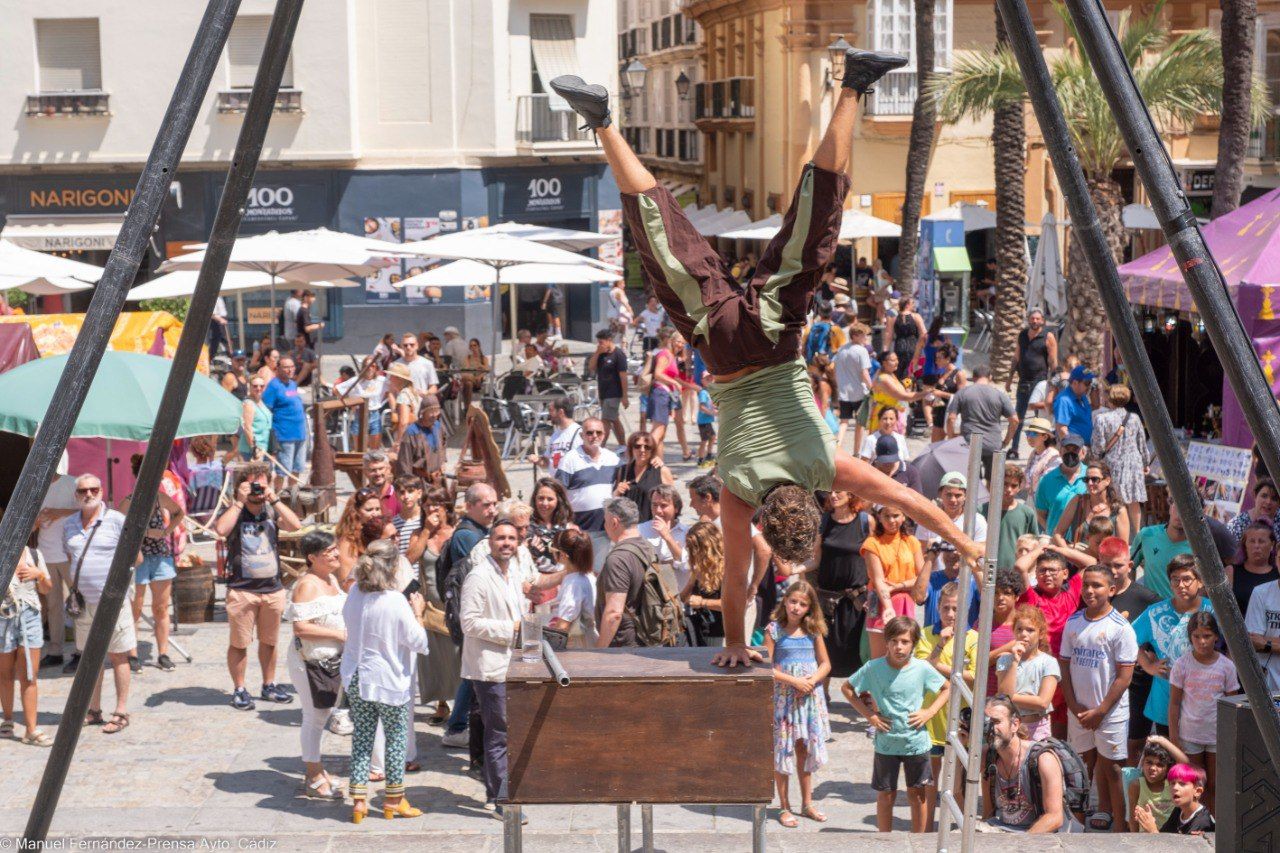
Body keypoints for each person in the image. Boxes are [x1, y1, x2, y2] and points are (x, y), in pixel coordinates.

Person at [553, 56, 981, 669]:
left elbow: (916, 504)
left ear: (809, 505)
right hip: (722, 345)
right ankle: (601, 122)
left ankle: (855, 84)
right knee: (661, 236)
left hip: (778, 339)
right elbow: (733, 579)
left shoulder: (824, 467)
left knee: (815, 223)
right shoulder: (738, 492)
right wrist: (732, 643)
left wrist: (966, 542)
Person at [343, 540, 429, 823]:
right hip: (387, 679)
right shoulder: (394, 600)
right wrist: (418, 612)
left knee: (362, 738)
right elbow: (418, 641)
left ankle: (358, 802)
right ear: (393, 567)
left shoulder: (354, 593)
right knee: (395, 739)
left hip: (356, 675)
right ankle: (394, 799)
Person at [844, 616, 949, 833]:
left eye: (904, 641)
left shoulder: (922, 668)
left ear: (914, 644)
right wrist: (870, 716)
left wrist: (929, 712)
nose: (898, 647)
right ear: (886, 642)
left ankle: (918, 842)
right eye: (893, 641)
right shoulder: (873, 668)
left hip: (916, 743)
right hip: (886, 743)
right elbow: (847, 689)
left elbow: (947, 688)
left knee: (917, 793)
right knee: (885, 795)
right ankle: (885, 841)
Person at [214, 463, 303, 711]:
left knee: (270, 641)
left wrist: (273, 497)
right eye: (252, 483)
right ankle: (240, 688)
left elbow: (296, 525)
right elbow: (221, 530)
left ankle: (269, 684)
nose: (256, 489)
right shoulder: (234, 510)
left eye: (260, 483)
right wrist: (240, 501)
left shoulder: (272, 510)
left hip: (272, 589)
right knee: (240, 643)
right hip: (242, 589)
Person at [1059, 563, 1137, 832]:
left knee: (1113, 769)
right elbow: (1065, 665)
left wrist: (1101, 710)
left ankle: (1120, 826)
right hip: (1078, 710)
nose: (1090, 590)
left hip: (1110, 713)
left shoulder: (1121, 627)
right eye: (1087, 585)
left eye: (1097, 585)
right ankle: (1078, 824)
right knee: (1080, 768)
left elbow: (1124, 676)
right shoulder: (1074, 622)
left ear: (1112, 590)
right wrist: (1071, 703)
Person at [459, 519, 527, 819]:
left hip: (513, 663)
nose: (507, 543)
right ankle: (501, 799)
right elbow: (469, 622)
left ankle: (501, 790)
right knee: (499, 732)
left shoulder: (512, 572)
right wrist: (510, 629)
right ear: (490, 541)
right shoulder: (478, 576)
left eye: (512, 538)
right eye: (501, 538)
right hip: (489, 665)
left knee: (507, 731)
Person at [62, 475, 134, 733]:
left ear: (102, 491)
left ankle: (121, 711)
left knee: (118, 655)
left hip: (112, 602)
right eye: (83, 490)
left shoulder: (116, 521)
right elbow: (73, 556)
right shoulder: (69, 524)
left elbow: (134, 555)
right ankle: (94, 709)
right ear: (76, 495)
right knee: (89, 658)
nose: (89, 494)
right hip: (83, 603)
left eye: (94, 489)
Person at [284, 530, 347, 800]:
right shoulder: (307, 585)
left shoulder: (330, 577)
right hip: (309, 662)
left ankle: (318, 769)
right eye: (328, 551)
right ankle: (312, 776)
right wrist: (339, 635)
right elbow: (300, 627)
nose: (335, 554)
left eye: (335, 548)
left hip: (330, 661)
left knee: (323, 714)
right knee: (314, 717)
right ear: (312, 558)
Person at [765, 580, 831, 828]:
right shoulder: (774, 630)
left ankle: (807, 803)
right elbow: (766, 667)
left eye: (802, 604)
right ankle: (784, 806)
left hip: (808, 698)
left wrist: (812, 680)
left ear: (809, 608)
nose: (796, 607)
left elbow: (825, 663)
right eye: (793, 601)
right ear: (785, 601)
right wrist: (793, 681)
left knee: (804, 748)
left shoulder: (813, 631)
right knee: (784, 748)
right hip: (785, 698)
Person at [438, 483, 498, 749]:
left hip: (477, 611)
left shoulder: (480, 531)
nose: (492, 509)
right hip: (471, 613)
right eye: (486, 504)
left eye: (494, 503)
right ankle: (457, 727)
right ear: (470, 506)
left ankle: (460, 724)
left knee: (472, 669)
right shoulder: (467, 536)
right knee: (472, 670)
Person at [915, 581, 978, 828]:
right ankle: (926, 827)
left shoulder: (973, 638)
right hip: (931, 721)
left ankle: (962, 827)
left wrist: (939, 665)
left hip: (959, 721)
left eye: (955, 609)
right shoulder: (926, 635)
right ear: (938, 608)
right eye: (945, 608)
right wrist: (940, 646)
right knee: (929, 781)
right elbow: (922, 670)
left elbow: (974, 675)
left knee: (957, 785)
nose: (950, 615)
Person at [1100, 535, 1162, 760]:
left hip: (1137, 686)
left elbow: (1161, 642)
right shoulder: (1094, 596)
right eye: (1106, 565)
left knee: (1133, 749)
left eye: (1118, 565)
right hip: (1101, 684)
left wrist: (1150, 663)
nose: (1113, 571)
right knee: (1105, 754)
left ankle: (1131, 794)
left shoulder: (1148, 599)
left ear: (1130, 565)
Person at [119, 462, 185, 673]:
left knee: (161, 608)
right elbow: (119, 528)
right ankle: (132, 654)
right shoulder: (129, 502)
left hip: (160, 556)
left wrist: (166, 532)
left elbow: (179, 513)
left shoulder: (159, 498)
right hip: (137, 558)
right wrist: (147, 533)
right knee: (135, 609)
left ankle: (163, 653)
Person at [1168, 611, 1238, 810]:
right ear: (1190, 637)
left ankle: (1215, 824)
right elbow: (1174, 703)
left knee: (1216, 783)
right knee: (1195, 782)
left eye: (1207, 636)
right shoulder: (1182, 665)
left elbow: (1233, 703)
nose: (1202, 641)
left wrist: (1231, 735)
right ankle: (1196, 822)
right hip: (1190, 735)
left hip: (1217, 735)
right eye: (1196, 636)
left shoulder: (1227, 666)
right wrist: (1174, 738)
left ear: (1216, 636)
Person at [981, 694, 1075, 833]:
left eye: (996, 722)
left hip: (1042, 837)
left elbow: (1054, 818)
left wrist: (1019, 844)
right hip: (1005, 832)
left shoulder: (1042, 758)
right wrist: (960, 743)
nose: (990, 728)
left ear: (1015, 724)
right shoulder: (988, 757)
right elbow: (986, 813)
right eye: (986, 723)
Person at [814, 490, 873, 678]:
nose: (832, 495)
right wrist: (790, 568)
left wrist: (874, 592)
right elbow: (815, 560)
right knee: (824, 649)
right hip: (827, 599)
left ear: (851, 494)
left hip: (856, 600)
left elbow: (874, 559)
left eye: (838, 491)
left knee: (857, 650)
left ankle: (860, 698)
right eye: (830, 491)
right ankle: (822, 696)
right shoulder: (823, 522)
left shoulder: (865, 522)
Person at [0, 542, 52, 745]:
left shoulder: (33, 554)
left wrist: (38, 575)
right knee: (4, 674)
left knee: (30, 675)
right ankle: (8, 719)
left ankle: (31, 730)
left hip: (29, 617)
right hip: (4, 617)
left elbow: (47, 589)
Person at [861, 503, 928, 661]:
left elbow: (922, 577)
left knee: (902, 656)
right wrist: (889, 607)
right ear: (879, 517)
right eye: (887, 516)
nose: (892, 520)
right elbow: (878, 580)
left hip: (905, 601)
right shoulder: (872, 543)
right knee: (878, 659)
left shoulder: (911, 541)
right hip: (879, 602)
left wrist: (899, 586)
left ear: (903, 516)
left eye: (896, 516)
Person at [595, 498, 658, 648]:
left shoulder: (618, 559)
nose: (604, 526)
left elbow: (614, 614)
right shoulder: (647, 547)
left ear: (614, 522)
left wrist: (599, 651)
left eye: (605, 521)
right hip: (647, 638)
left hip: (623, 646)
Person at [996, 605, 1061, 742]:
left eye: (1030, 630)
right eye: (1019, 629)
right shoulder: (1005, 660)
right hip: (1010, 726)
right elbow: (1003, 694)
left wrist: (1012, 697)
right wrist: (1015, 661)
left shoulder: (1048, 662)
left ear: (1041, 634)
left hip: (1037, 727)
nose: (1024, 634)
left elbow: (1043, 702)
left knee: (1034, 761)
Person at [35, 467, 78, 671]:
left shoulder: (72, 483)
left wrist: (57, 512)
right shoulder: (36, 486)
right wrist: (37, 520)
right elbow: (30, 526)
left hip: (70, 551)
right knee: (53, 606)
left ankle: (81, 650)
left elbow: (87, 511)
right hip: (46, 553)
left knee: (77, 603)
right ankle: (55, 651)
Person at [1091, 384, 1147, 536]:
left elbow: (1098, 445)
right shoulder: (1134, 418)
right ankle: (1137, 534)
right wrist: (1145, 463)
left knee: (1112, 499)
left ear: (1110, 399)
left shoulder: (1101, 419)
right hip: (1133, 463)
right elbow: (1142, 442)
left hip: (1112, 463)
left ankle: (1113, 533)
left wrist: (1096, 460)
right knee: (1133, 500)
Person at [946, 365, 1017, 477]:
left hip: (969, 445)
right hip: (993, 444)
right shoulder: (999, 395)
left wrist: (951, 437)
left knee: (972, 483)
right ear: (990, 377)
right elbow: (1014, 420)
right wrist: (1007, 440)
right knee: (994, 483)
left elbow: (951, 418)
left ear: (973, 377)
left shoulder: (962, 393)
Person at [556, 418, 622, 532]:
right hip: (580, 531)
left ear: (604, 435)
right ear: (582, 435)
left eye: (599, 432)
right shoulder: (569, 460)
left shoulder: (613, 459)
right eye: (590, 433)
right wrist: (567, 523)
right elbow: (557, 494)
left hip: (607, 530)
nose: (595, 436)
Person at [1009, 310, 1058, 457]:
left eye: (1037, 319)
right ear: (1028, 320)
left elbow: (1053, 360)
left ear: (1042, 320)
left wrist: (1055, 381)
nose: (1035, 321)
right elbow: (1016, 357)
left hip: (1040, 382)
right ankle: (1014, 448)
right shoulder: (1022, 335)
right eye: (1032, 319)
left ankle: (1043, 450)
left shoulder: (1048, 336)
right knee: (1019, 416)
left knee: (1041, 420)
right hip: (1023, 381)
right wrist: (1009, 378)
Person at [1052, 460, 1129, 546]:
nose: (1090, 483)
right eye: (1086, 479)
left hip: (1105, 559)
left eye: (1095, 479)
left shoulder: (1118, 510)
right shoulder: (1078, 501)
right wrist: (1069, 553)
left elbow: (1123, 548)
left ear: (1107, 481)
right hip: (1077, 557)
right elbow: (1057, 533)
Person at [261, 357, 308, 491]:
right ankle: (278, 496)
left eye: (292, 367)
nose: (290, 370)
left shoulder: (292, 384)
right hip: (284, 434)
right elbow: (266, 409)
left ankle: (293, 495)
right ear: (278, 369)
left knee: (297, 467)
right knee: (283, 470)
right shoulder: (274, 386)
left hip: (300, 433)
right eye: (286, 367)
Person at [981, 466, 1040, 569]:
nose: (1009, 490)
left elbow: (1035, 546)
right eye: (1005, 484)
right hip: (985, 571)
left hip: (1015, 573)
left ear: (1019, 488)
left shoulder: (1027, 513)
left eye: (1013, 486)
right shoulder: (981, 511)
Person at [1125, 736, 1188, 832]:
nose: (1153, 768)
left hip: (1171, 839)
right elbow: (1132, 818)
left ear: (1168, 768)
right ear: (1142, 763)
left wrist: (1162, 740)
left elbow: (1185, 762)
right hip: (1144, 840)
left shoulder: (1172, 784)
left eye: (1160, 765)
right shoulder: (1136, 785)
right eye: (1149, 762)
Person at [545, 529, 597, 646]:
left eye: (552, 549)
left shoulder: (573, 583)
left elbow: (563, 625)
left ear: (562, 555)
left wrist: (549, 649)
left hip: (580, 648)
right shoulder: (588, 576)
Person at [1132, 504, 1194, 600]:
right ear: (1170, 508)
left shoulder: (1199, 546)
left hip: (1185, 612)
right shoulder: (1146, 535)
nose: (1179, 514)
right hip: (1151, 609)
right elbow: (1128, 567)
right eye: (1176, 507)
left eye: (1186, 510)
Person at [1133, 763, 1215, 835]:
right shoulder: (1178, 811)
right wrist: (1148, 822)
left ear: (1197, 791)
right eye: (1172, 783)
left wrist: (1153, 831)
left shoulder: (1202, 822)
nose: (1175, 788)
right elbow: (1164, 836)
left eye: (1182, 784)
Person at [680, 521, 725, 646]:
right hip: (699, 630)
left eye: (695, 548)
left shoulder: (726, 570)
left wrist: (702, 603)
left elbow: (730, 604)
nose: (692, 553)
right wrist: (692, 580)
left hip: (719, 633)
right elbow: (683, 598)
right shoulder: (700, 568)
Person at [613, 430, 673, 522]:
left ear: (652, 450)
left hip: (652, 527)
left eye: (647, 447)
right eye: (637, 446)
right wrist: (617, 491)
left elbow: (672, 502)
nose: (642, 450)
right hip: (627, 528)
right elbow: (614, 500)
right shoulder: (623, 470)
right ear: (631, 448)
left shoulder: (661, 471)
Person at [638, 485, 690, 590]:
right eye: (654, 505)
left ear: (676, 508)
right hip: (649, 595)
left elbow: (687, 565)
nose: (658, 510)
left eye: (663, 505)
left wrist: (667, 536)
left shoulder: (687, 532)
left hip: (678, 596)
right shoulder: (640, 530)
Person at [1033, 433, 1086, 533]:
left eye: (1075, 450)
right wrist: (1052, 533)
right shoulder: (1046, 480)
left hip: (1083, 543)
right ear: (1060, 451)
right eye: (1067, 449)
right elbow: (1040, 514)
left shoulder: (1092, 478)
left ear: (1083, 453)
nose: (1070, 454)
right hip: (1055, 543)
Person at [833, 321, 873, 450]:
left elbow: (835, 370)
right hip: (859, 392)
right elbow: (865, 373)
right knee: (860, 423)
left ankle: (838, 446)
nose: (865, 337)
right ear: (855, 336)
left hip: (843, 392)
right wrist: (872, 388)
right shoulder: (862, 351)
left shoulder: (841, 350)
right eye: (863, 335)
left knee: (844, 422)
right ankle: (856, 451)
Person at [588, 329, 629, 446]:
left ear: (609, 340)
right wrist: (597, 353)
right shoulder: (600, 354)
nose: (599, 345)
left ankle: (599, 446)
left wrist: (624, 396)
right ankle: (623, 446)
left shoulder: (618, 354)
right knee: (614, 420)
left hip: (614, 393)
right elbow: (591, 367)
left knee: (605, 420)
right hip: (603, 392)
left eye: (601, 342)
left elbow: (623, 376)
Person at [394, 395, 445, 485]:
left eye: (436, 411)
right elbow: (404, 463)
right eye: (431, 411)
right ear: (422, 413)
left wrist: (442, 463)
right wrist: (409, 484)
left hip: (437, 479)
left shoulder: (438, 426)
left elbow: (443, 444)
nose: (434, 415)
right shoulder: (411, 432)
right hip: (419, 481)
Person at [1245, 572, 1280, 691]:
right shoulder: (1260, 592)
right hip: (1267, 683)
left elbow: (1260, 642)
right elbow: (1252, 641)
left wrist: (1266, 644)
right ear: (1276, 559)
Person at [532, 397, 581, 479]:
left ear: (561, 412)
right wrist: (537, 460)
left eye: (551, 410)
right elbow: (547, 463)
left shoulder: (579, 433)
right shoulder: (556, 434)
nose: (549, 414)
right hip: (556, 485)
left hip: (572, 485)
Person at [927, 342, 965, 444]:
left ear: (948, 359)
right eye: (936, 357)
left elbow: (961, 398)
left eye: (939, 358)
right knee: (934, 447)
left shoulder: (958, 374)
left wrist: (941, 394)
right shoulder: (941, 373)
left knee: (952, 447)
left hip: (951, 414)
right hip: (939, 412)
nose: (936, 360)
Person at [884, 296, 926, 379]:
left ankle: (902, 388)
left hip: (899, 347)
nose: (914, 305)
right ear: (907, 305)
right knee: (912, 371)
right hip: (913, 347)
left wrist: (885, 351)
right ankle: (909, 389)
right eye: (912, 303)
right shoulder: (916, 317)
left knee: (900, 371)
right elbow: (923, 334)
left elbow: (888, 335)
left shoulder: (893, 318)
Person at [1227, 478, 1280, 543]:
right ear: (1255, 495)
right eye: (1264, 496)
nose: (1268, 502)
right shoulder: (1237, 525)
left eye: (1274, 499)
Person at [1053, 365, 1094, 444]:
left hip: (1085, 448)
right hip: (1074, 449)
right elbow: (1062, 429)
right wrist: (1073, 449)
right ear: (1075, 383)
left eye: (1090, 382)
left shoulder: (1082, 397)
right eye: (1087, 383)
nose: (1089, 386)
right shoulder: (1064, 400)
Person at [1022, 418, 1060, 501]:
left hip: (1046, 501)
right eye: (1027, 433)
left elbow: (1048, 482)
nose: (1029, 437)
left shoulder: (1054, 456)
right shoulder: (1034, 453)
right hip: (1033, 498)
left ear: (1045, 437)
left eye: (1034, 434)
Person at [384, 362, 421, 446]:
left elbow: (404, 422)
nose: (389, 379)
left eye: (391, 376)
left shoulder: (403, 396)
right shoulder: (411, 392)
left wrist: (398, 442)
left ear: (398, 378)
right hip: (415, 433)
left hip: (407, 437)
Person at [238, 376, 272, 461]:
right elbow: (247, 428)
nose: (258, 388)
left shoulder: (261, 402)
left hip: (264, 448)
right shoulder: (249, 404)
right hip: (252, 450)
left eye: (261, 386)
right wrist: (254, 449)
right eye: (255, 386)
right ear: (250, 387)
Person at [396, 332, 439, 397]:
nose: (408, 347)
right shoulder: (395, 365)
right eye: (405, 345)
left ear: (417, 346)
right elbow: (390, 390)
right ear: (401, 347)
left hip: (422, 403)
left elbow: (433, 387)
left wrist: (426, 393)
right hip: (402, 404)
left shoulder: (428, 364)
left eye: (412, 345)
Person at [695, 375, 717, 468]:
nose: (709, 381)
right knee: (704, 440)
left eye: (711, 379)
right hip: (703, 421)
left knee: (712, 437)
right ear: (702, 381)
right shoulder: (703, 393)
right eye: (707, 379)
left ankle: (709, 455)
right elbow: (702, 407)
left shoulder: (708, 392)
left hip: (707, 420)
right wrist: (712, 413)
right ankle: (700, 460)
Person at [208, 295, 232, 360]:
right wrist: (220, 319)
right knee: (217, 340)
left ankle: (231, 355)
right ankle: (210, 357)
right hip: (218, 320)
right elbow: (212, 313)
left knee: (226, 340)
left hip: (222, 318)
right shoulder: (213, 296)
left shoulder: (220, 295)